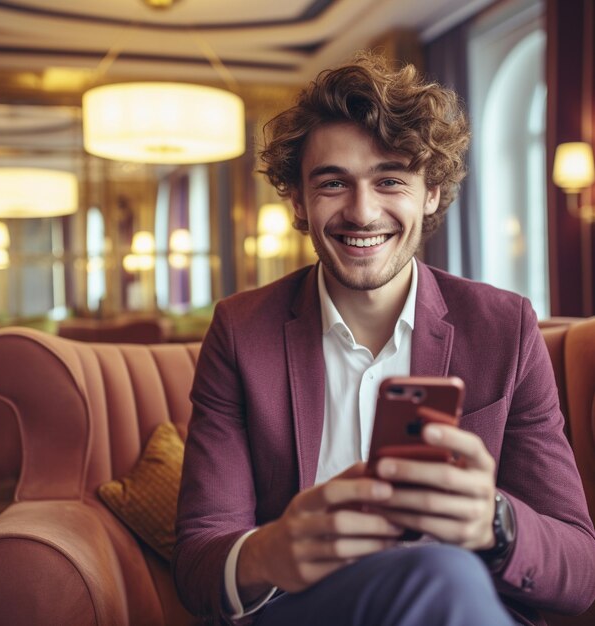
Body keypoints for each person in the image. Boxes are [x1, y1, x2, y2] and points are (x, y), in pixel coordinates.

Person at [172, 51, 595, 626]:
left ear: (431, 194)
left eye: (390, 180)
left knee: (445, 572)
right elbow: (199, 560)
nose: (362, 212)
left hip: (463, 606)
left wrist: (495, 522)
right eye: (332, 183)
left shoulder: (505, 328)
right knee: (439, 571)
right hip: (305, 611)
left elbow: (580, 572)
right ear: (297, 200)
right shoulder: (242, 331)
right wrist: (273, 552)